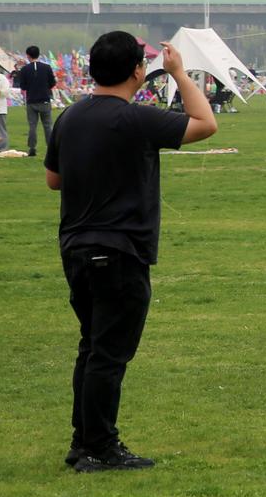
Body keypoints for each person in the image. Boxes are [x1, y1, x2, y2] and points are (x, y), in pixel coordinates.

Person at [46, 31, 218, 471]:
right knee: (108, 354)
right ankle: (99, 447)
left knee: (92, 346)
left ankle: (83, 441)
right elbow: (205, 123)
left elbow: (53, 180)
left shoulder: (70, 116)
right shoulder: (137, 119)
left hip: (75, 248)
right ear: (138, 71)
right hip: (119, 251)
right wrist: (179, 73)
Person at [15, 45, 57, 157]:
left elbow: (23, 86)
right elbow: (53, 83)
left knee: (32, 126)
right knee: (47, 126)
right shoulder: (47, 67)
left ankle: (32, 148)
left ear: (28, 55)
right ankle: (51, 148)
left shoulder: (24, 69)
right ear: (38, 54)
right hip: (45, 100)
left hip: (31, 101)